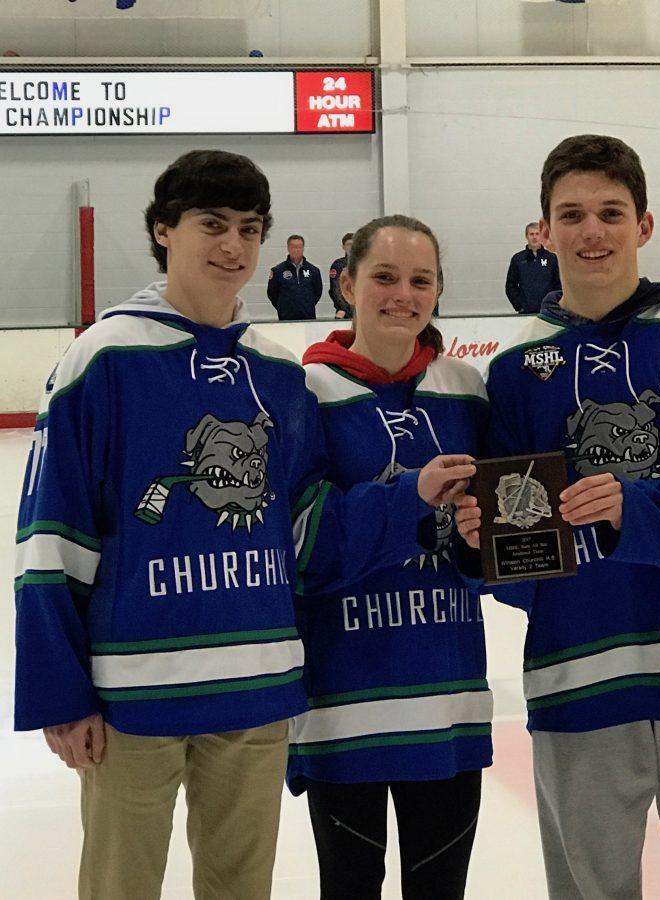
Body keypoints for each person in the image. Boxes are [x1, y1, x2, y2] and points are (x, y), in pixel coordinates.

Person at [13, 150, 476, 900]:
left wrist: (408, 503)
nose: (232, 246)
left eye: (249, 229)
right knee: (119, 886)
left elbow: (305, 531)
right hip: (136, 695)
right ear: (164, 230)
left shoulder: (276, 374)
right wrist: (60, 694)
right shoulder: (102, 359)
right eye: (212, 225)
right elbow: (51, 537)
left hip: (257, 690)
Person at [457, 135, 660, 899]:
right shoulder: (513, 367)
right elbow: (510, 528)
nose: (590, 230)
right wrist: (481, 543)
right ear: (544, 231)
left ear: (643, 225)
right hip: (578, 667)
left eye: (609, 212)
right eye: (571, 215)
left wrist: (638, 508)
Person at [289, 214, 492, 900]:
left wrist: (476, 540)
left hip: (447, 702)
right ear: (345, 284)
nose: (401, 294)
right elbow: (302, 545)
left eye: (420, 280)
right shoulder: (304, 394)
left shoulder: (464, 390)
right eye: (383, 276)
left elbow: (495, 548)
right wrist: (412, 497)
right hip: (345, 705)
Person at [504, 221, 561, 313]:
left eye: (537, 234)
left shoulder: (552, 258)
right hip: (525, 312)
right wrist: (519, 306)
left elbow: (559, 285)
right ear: (527, 236)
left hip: (548, 312)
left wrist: (553, 305)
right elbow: (510, 286)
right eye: (531, 234)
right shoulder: (517, 259)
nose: (534, 237)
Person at [267, 233, 323, 320]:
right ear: (288, 248)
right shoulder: (277, 271)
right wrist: (283, 308)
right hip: (286, 318)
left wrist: (307, 305)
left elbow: (318, 292)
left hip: (308, 317)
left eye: (299, 247)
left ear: (303, 248)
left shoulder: (314, 271)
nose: (296, 250)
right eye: (293, 247)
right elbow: (272, 294)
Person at [328, 231, 355, 319]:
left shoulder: (364, 264)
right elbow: (335, 289)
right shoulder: (338, 265)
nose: (351, 247)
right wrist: (344, 308)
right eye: (349, 244)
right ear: (343, 247)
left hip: (361, 310)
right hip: (344, 311)